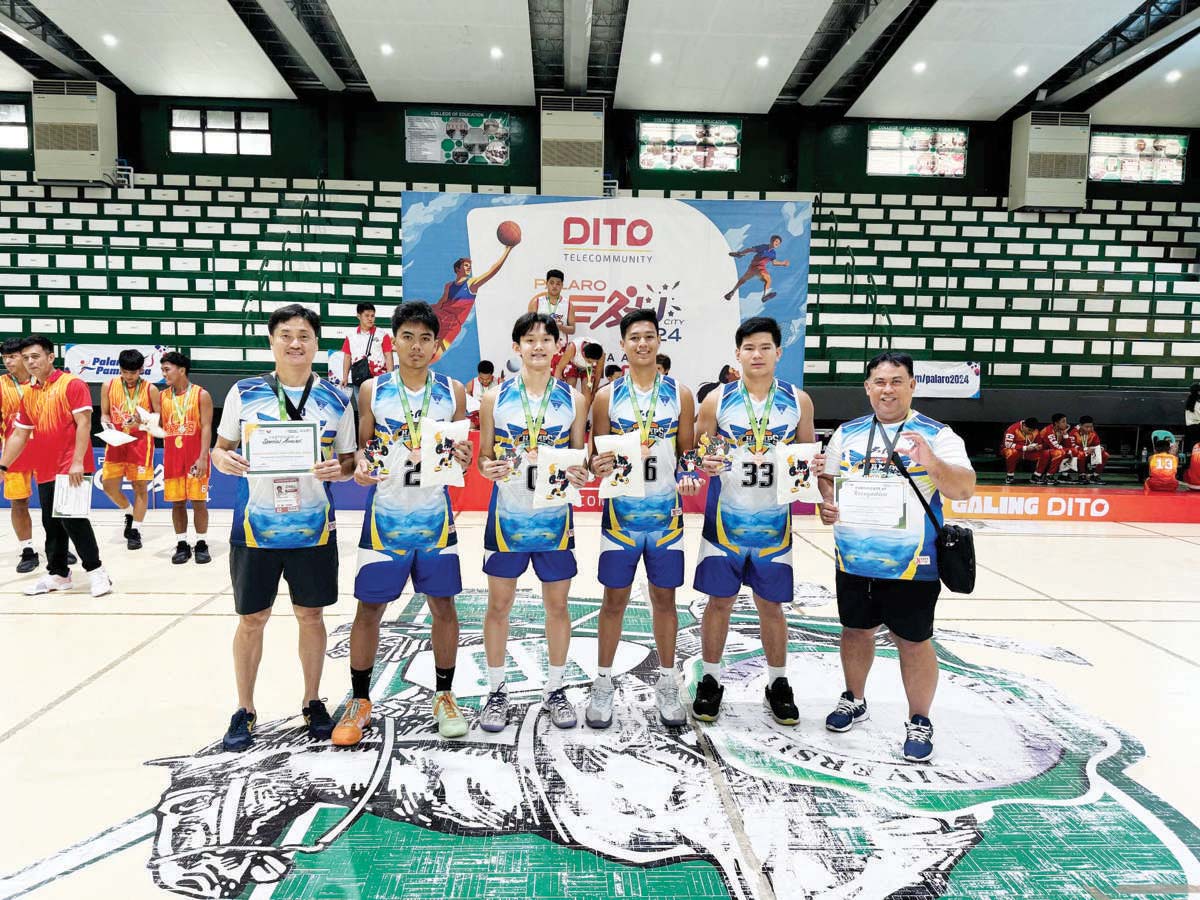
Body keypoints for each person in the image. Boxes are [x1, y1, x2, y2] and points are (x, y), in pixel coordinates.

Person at [209, 303, 356, 752]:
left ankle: (312, 701)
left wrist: (341, 471)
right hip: (255, 527)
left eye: (304, 335)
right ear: (272, 340)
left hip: (313, 528)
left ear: (316, 343)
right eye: (287, 334)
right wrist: (225, 461)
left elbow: (349, 462)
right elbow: (219, 449)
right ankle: (245, 707)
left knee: (310, 615)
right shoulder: (244, 391)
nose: (295, 343)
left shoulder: (336, 398)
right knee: (252, 618)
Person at [816, 351, 975, 763]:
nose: (887, 390)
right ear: (867, 387)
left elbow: (963, 489)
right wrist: (827, 502)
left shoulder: (937, 435)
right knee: (854, 630)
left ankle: (919, 719)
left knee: (914, 641)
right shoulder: (846, 433)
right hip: (853, 557)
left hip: (912, 561)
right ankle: (854, 698)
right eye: (879, 382)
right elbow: (827, 480)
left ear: (912, 385)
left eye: (896, 381)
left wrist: (931, 462)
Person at [334, 301, 475, 746]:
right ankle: (359, 700)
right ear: (394, 340)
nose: (416, 346)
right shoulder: (373, 390)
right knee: (369, 609)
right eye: (408, 337)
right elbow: (363, 449)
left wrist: (465, 459)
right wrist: (360, 467)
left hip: (436, 519)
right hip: (385, 521)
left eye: (425, 338)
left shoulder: (453, 392)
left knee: (443, 607)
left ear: (437, 345)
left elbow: (461, 460)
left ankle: (445, 695)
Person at [691, 316, 815, 726]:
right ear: (737, 354)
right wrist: (701, 465)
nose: (757, 354)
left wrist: (815, 475)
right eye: (749, 348)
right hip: (723, 522)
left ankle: (778, 682)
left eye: (765, 347)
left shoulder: (799, 401)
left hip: (774, 524)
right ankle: (710, 678)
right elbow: (694, 456)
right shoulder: (716, 400)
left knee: (771, 605)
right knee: (719, 602)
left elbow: (807, 459)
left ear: (779, 352)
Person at [476, 312, 591, 732]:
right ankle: (495, 691)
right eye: (530, 339)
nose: (538, 346)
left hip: (554, 518)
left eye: (546, 339)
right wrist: (487, 467)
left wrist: (583, 472)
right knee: (499, 605)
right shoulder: (494, 398)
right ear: (516, 347)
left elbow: (581, 459)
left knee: (557, 605)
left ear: (557, 347)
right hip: (506, 516)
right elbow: (485, 455)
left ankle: (556, 688)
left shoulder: (574, 400)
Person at [586, 309, 700, 727]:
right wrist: (597, 465)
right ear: (623, 344)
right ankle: (602, 683)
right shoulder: (605, 396)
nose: (642, 344)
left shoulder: (681, 394)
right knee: (613, 600)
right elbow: (596, 454)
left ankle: (668, 681)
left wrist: (688, 474)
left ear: (658, 341)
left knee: (664, 599)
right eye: (634, 337)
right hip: (620, 513)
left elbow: (687, 451)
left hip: (666, 515)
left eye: (649, 336)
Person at [0, 336, 113, 597]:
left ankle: (97, 572)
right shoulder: (28, 393)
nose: (30, 362)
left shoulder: (71, 384)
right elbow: (19, 434)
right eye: (26, 358)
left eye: (35, 356)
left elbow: (84, 423)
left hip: (72, 465)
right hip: (46, 466)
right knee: (51, 522)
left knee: (73, 520)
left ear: (51, 357)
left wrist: (76, 462)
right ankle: (59, 574)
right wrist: (3, 465)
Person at [99, 349, 158, 550]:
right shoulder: (108, 385)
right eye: (125, 372)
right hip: (115, 442)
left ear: (141, 369)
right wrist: (105, 424)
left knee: (140, 488)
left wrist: (141, 421)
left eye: (133, 372)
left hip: (140, 444)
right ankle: (129, 511)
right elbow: (104, 414)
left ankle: (135, 530)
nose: (129, 376)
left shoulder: (150, 389)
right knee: (108, 486)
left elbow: (159, 417)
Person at [159, 351, 213, 564]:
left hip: (194, 457)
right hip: (173, 458)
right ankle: (181, 543)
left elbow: (207, 427)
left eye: (167, 369)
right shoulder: (163, 396)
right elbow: (158, 425)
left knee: (199, 502)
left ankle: (201, 542)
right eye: (162, 370)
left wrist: (203, 457)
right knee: (177, 504)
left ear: (181, 370)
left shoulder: (201, 395)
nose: (164, 374)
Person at [432, 246, 516, 361]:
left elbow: (492, 271)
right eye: (466, 265)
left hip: (453, 324)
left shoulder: (472, 284)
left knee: (435, 354)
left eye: (469, 266)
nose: (469, 267)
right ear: (457, 269)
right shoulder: (449, 286)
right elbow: (440, 303)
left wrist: (507, 250)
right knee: (422, 342)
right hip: (441, 316)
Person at [2, 338, 36, 573]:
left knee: (55, 502)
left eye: (12, 356)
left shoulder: (41, 382)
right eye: (5, 357)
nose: (7, 361)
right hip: (16, 453)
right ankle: (27, 549)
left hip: (46, 451)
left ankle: (61, 546)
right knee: (18, 502)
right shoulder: (1, 385)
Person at [339, 302, 394, 391]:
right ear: (358, 316)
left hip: (379, 380)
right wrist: (345, 377)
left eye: (372, 316)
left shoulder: (382, 334)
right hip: (359, 379)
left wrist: (390, 377)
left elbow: (388, 356)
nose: (370, 319)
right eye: (367, 315)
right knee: (361, 405)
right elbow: (347, 357)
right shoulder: (350, 336)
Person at [724, 236, 789, 303]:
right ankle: (764, 295)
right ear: (771, 241)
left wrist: (783, 263)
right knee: (767, 279)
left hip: (755, 269)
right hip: (757, 267)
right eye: (776, 241)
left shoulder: (773, 253)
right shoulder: (763, 247)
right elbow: (750, 249)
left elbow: (774, 262)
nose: (777, 244)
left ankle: (732, 292)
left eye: (779, 243)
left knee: (744, 279)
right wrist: (740, 253)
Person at [1064, 416, 1109, 485]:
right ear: (1080, 425)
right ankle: (1082, 475)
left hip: (1089, 454)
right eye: (1086, 427)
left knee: (1105, 455)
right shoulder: (1074, 432)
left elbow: (1097, 444)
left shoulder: (1093, 432)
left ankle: (1095, 476)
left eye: (1090, 426)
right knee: (1081, 454)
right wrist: (1085, 449)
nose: (1089, 429)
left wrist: (1099, 448)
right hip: (1076, 456)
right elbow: (1071, 446)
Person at [1031, 413, 1070, 485]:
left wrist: (1065, 434)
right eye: (1063, 421)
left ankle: (1063, 475)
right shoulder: (1048, 431)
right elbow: (1055, 446)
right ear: (1056, 423)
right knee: (1059, 452)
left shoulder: (1061, 430)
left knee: (1069, 452)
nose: (1066, 424)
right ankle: (1038, 475)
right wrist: (1069, 450)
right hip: (1036, 452)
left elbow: (1068, 446)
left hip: (1048, 452)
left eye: (1066, 421)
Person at [1000, 417, 1040, 485]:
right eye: (1029, 430)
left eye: (1032, 431)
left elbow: (1039, 442)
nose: (1030, 432)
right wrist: (1024, 448)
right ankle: (1010, 476)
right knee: (1011, 452)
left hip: (1028, 451)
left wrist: (1037, 446)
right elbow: (1007, 444)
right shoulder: (1013, 429)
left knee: (1044, 454)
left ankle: (1036, 476)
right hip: (1013, 450)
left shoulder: (1035, 430)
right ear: (1024, 425)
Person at [465, 359, 499, 429]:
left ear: (492, 375)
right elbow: (466, 403)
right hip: (478, 416)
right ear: (478, 374)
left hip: (494, 416)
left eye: (487, 379)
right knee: (467, 425)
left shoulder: (499, 383)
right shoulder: (471, 384)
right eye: (481, 378)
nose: (484, 381)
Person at [1185, 382, 1200, 457]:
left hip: (1190, 427)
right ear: (1198, 392)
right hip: (1198, 427)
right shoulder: (1198, 403)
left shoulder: (1189, 402)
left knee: (1193, 446)